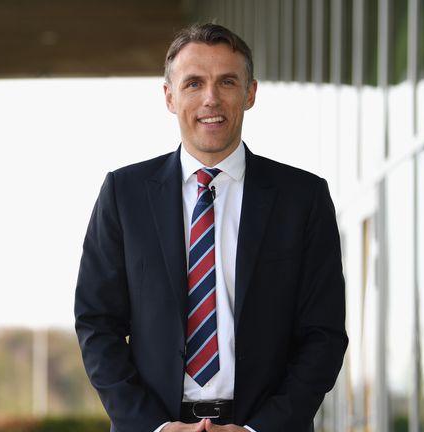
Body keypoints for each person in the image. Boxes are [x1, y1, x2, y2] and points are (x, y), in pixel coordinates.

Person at [74, 23, 348, 432]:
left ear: (250, 93)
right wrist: (154, 426)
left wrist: (260, 429)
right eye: (194, 83)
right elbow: (97, 323)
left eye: (227, 82)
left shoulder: (303, 199)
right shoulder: (123, 194)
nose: (211, 98)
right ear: (169, 96)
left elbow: (323, 334)